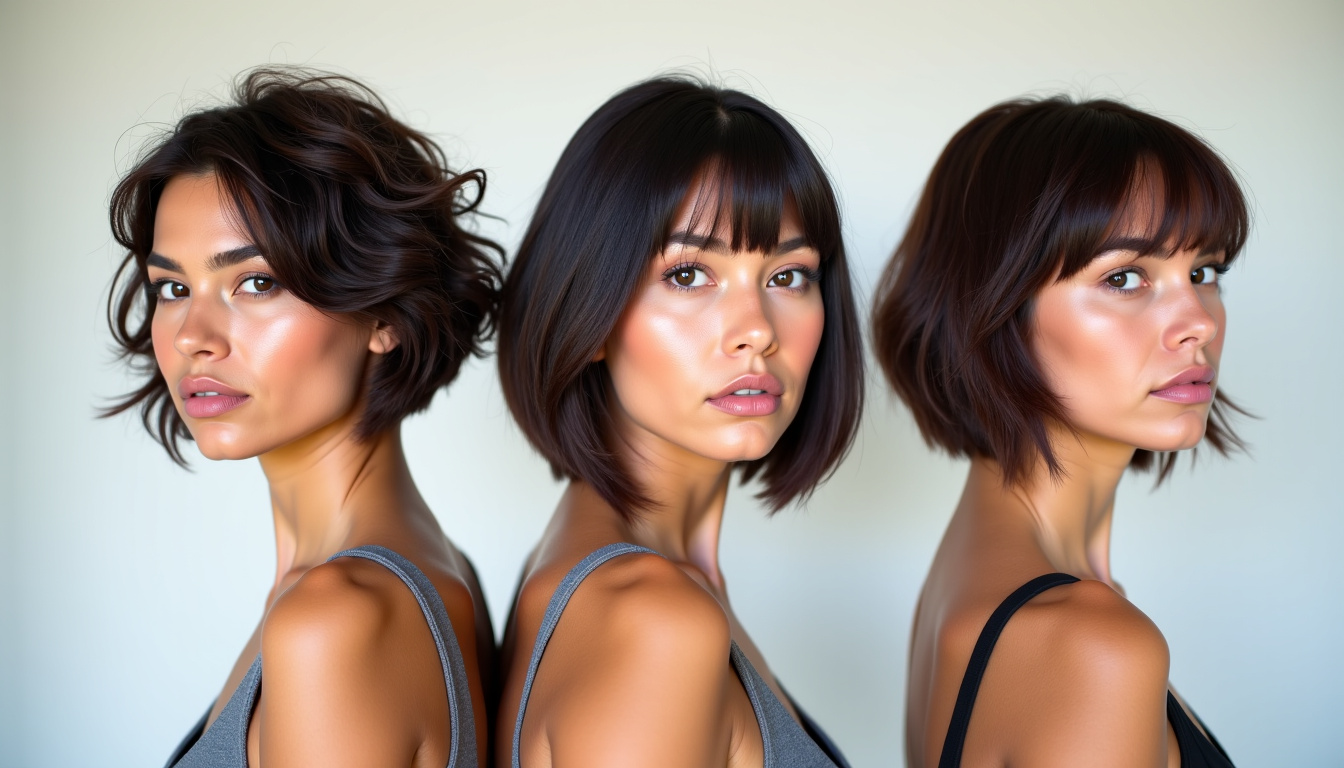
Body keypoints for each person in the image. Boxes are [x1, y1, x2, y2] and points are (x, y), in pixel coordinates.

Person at [104, 67, 500, 768]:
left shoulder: (336, 619)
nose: (193, 336)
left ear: (382, 312)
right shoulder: (427, 568)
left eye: (257, 281)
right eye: (172, 288)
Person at [493, 77, 863, 768]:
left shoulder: (626, 579)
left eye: (788, 276)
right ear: (589, 312)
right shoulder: (651, 622)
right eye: (689, 275)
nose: (757, 331)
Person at [872, 96, 1247, 768]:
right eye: (1125, 277)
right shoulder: (1088, 643)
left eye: (1205, 272)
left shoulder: (968, 580)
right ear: (994, 307)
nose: (1199, 321)